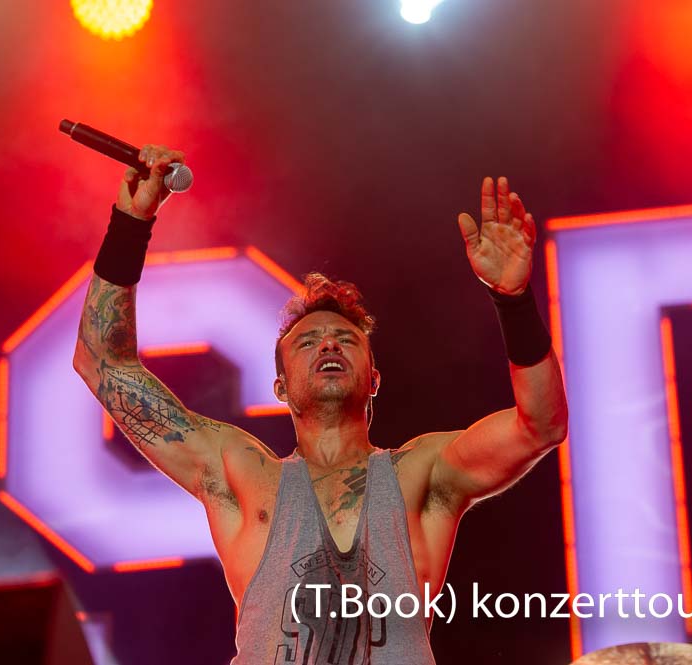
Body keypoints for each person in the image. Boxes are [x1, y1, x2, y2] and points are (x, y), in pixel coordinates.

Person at [73, 145, 569, 664]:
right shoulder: (242, 473)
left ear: (374, 379)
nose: (329, 344)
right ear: (281, 387)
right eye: (307, 342)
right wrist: (131, 224)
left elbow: (541, 425)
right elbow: (102, 361)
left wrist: (513, 302)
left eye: (346, 339)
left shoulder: (423, 473)